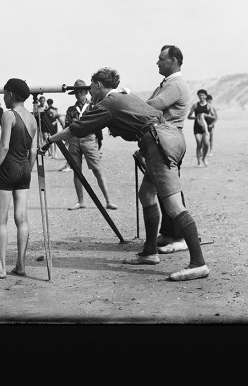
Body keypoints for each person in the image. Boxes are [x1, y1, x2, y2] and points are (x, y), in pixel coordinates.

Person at [43, 67, 209, 281]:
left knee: (174, 205)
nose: (90, 92)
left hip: (159, 143)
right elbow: (150, 116)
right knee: (146, 195)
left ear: (99, 86)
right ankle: (150, 252)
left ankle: (198, 263)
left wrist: (49, 140)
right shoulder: (124, 95)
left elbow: (76, 129)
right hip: (165, 137)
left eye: (92, 88)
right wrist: (146, 149)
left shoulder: (108, 103)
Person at [0, 78, 38, 279]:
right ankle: (21, 265)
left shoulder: (8, 115)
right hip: (24, 170)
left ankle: (0, 268)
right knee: (21, 219)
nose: (3, 98)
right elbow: (33, 151)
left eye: (4, 94)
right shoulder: (32, 118)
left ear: (11, 94)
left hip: (8, 169)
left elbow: (4, 147)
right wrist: (26, 171)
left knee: (0, 220)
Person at [144, 45, 190, 254]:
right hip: (161, 140)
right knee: (159, 190)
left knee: (170, 191)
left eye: (161, 59)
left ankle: (181, 237)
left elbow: (154, 105)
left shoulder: (176, 85)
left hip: (169, 141)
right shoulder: (167, 83)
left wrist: (129, 103)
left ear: (173, 61)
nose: (157, 62)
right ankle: (169, 233)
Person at [63, 79, 117, 211]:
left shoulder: (93, 107)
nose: (78, 94)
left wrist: (98, 142)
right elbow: (67, 126)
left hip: (89, 139)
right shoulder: (70, 110)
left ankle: (108, 201)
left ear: (87, 92)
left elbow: (98, 126)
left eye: (81, 91)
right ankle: (80, 201)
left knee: (97, 169)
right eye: (76, 92)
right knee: (77, 171)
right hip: (74, 140)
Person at [187, 89, 212, 167]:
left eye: (203, 95)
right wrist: (196, 117)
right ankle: (198, 161)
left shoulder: (209, 106)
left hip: (206, 127)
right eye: (200, 95)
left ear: (206, 96)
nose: (201, 96)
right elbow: (189, 116)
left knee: (206, 144)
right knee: (199, 144)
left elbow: (213, 116)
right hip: (197, 127)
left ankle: (204, 158)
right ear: (198, 96)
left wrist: (206, 115)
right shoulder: (195, 105)